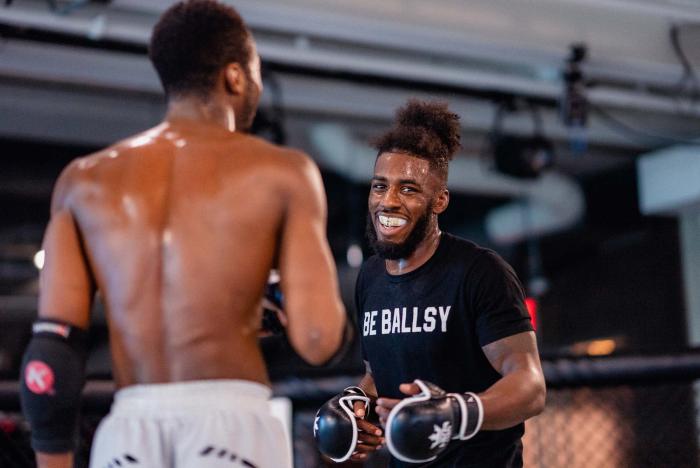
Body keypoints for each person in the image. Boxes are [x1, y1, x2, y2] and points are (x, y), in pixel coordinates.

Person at [18, 2, 347, 468]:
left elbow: (53, 351)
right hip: (231, 422)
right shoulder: (283, 172)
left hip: (129, 427)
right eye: (254, 74)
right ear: (235, 76)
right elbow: (317, 338)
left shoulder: (82, 182)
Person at [314, 100, 545, 467]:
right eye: (380, 186)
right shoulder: (371, 277)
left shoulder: (480, 272)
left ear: (439, 200)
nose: (388, 201)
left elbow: (530, 387)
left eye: (408, 189)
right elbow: (380, 371)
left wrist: (458, 412)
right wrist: (360, 401)